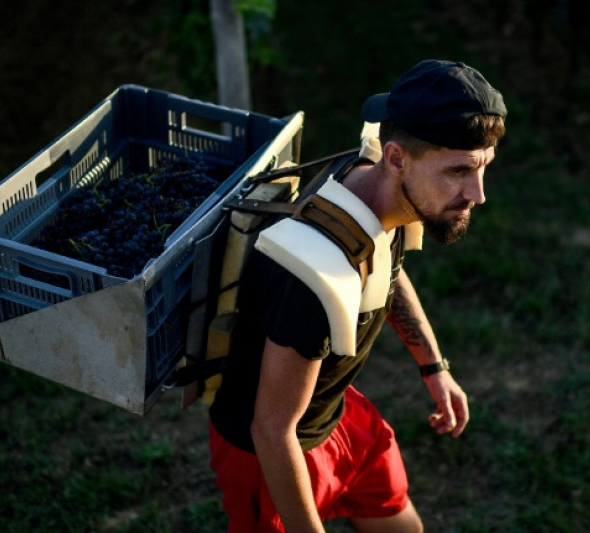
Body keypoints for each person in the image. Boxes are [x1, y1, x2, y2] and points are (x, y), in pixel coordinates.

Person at [207, 59, 508, 532]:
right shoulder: (311, 276)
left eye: (483, 167)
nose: (478, 193)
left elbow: (384, 270)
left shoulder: (378, 187)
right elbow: (271, 428)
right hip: (272, 453)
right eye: (458, 171)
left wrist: (433, 368)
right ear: (396, 158)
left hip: (337, 415)